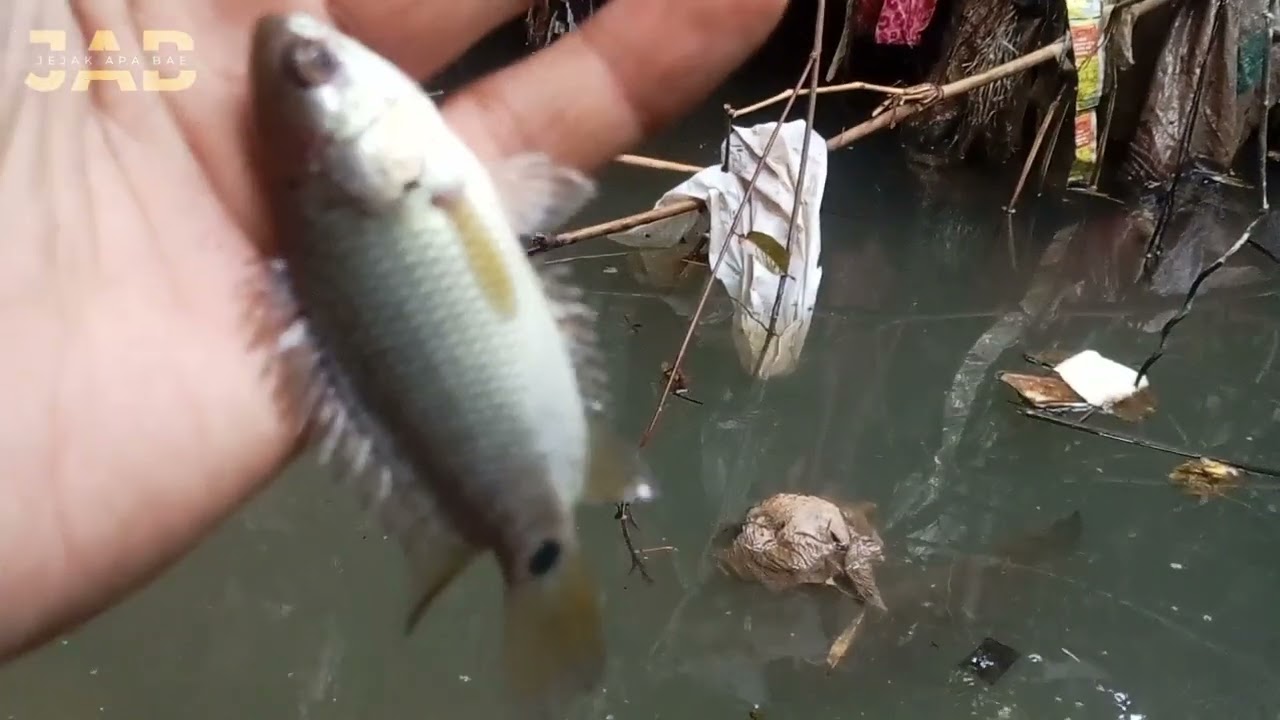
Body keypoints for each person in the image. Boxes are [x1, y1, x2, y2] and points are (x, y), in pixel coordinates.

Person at [0, 0, 785, 662]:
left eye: (311, 67)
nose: (314, 46)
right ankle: (536, 562)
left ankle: (533, 555)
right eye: (317, 70)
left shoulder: (382, 194)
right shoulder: (406, 185)